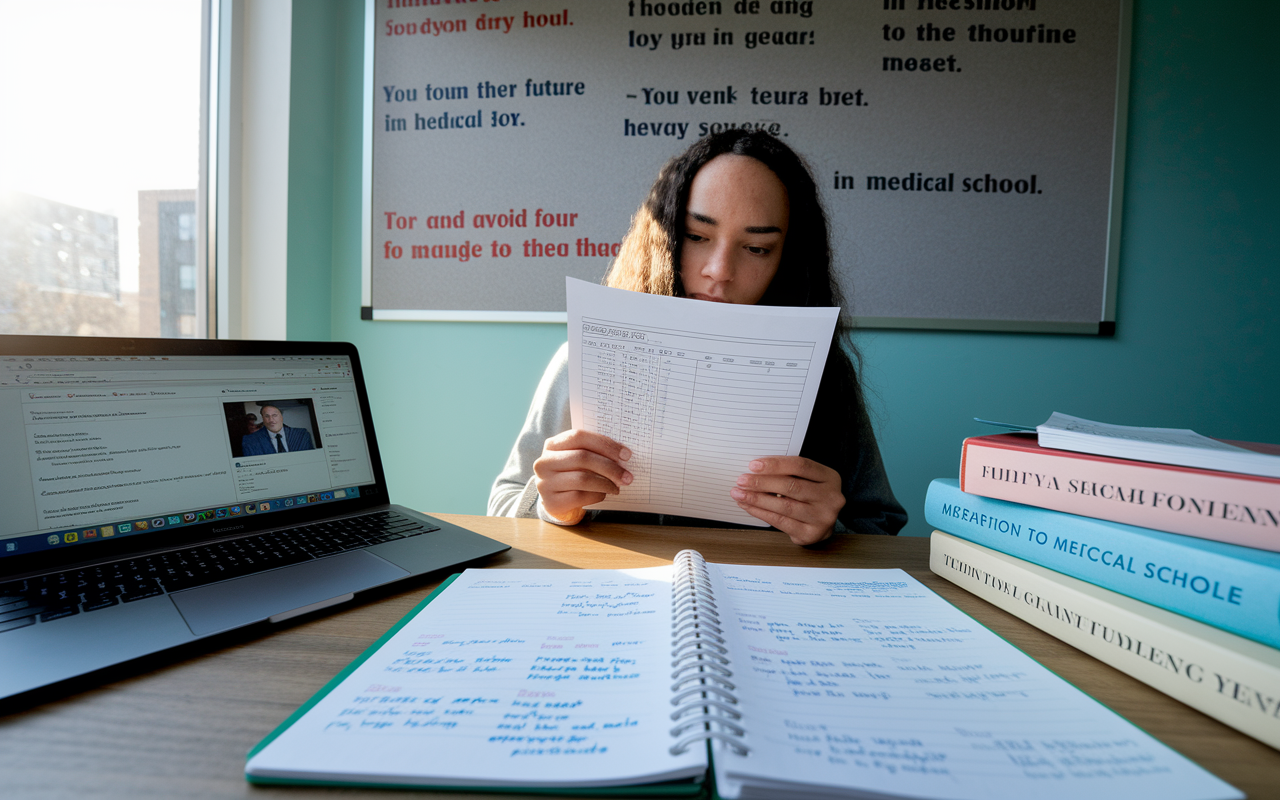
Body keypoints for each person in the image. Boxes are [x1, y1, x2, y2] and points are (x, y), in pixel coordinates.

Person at [488, 130, 906, 544]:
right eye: (696, 236)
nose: (719, 270)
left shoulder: (826, 375)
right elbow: (501, 507)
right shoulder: (582, 358)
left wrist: (831, 529)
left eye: (757, 248)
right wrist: (551, 505)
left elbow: (881, 522)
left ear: (788, 259)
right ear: (665, 235)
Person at [241, 403, 314, 455]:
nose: (271, 420)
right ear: (263, 419)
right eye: (267, 416)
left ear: (281, 417)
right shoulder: (250, 440)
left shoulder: (302, 434)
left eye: (274, 415)